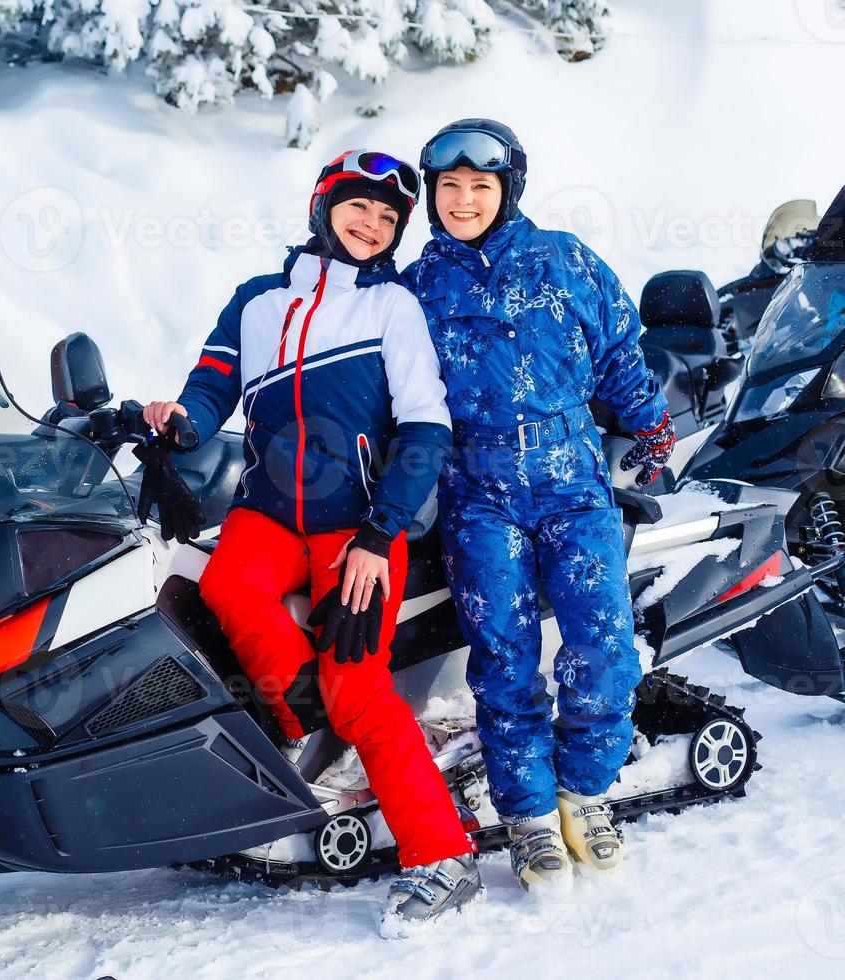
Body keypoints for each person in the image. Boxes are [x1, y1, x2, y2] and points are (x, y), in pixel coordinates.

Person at [140, 151, 480, 936]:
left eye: (390, 218)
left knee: (360, 690)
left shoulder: (391, 307)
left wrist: (378, 534)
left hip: (355, 525)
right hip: (266, 511)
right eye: (359, 207)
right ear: (323, 207)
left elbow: (428, 428)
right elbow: (214, 381)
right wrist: (181, 419)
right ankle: (308, 733)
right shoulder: (258, 300)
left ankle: (443, 858)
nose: (373, 224)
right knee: (222, 587)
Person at [403, 119, 674, 895]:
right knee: (503, 661)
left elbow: (621, 352)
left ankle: (583, 794)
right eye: (448, 188)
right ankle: (526, 818)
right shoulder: (418, 285)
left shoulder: (564, 261)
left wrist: (652, 430)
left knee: (604, 647)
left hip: (571, 481)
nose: (462, 201)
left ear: (506, 189)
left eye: (479, 187)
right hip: (477, 493)